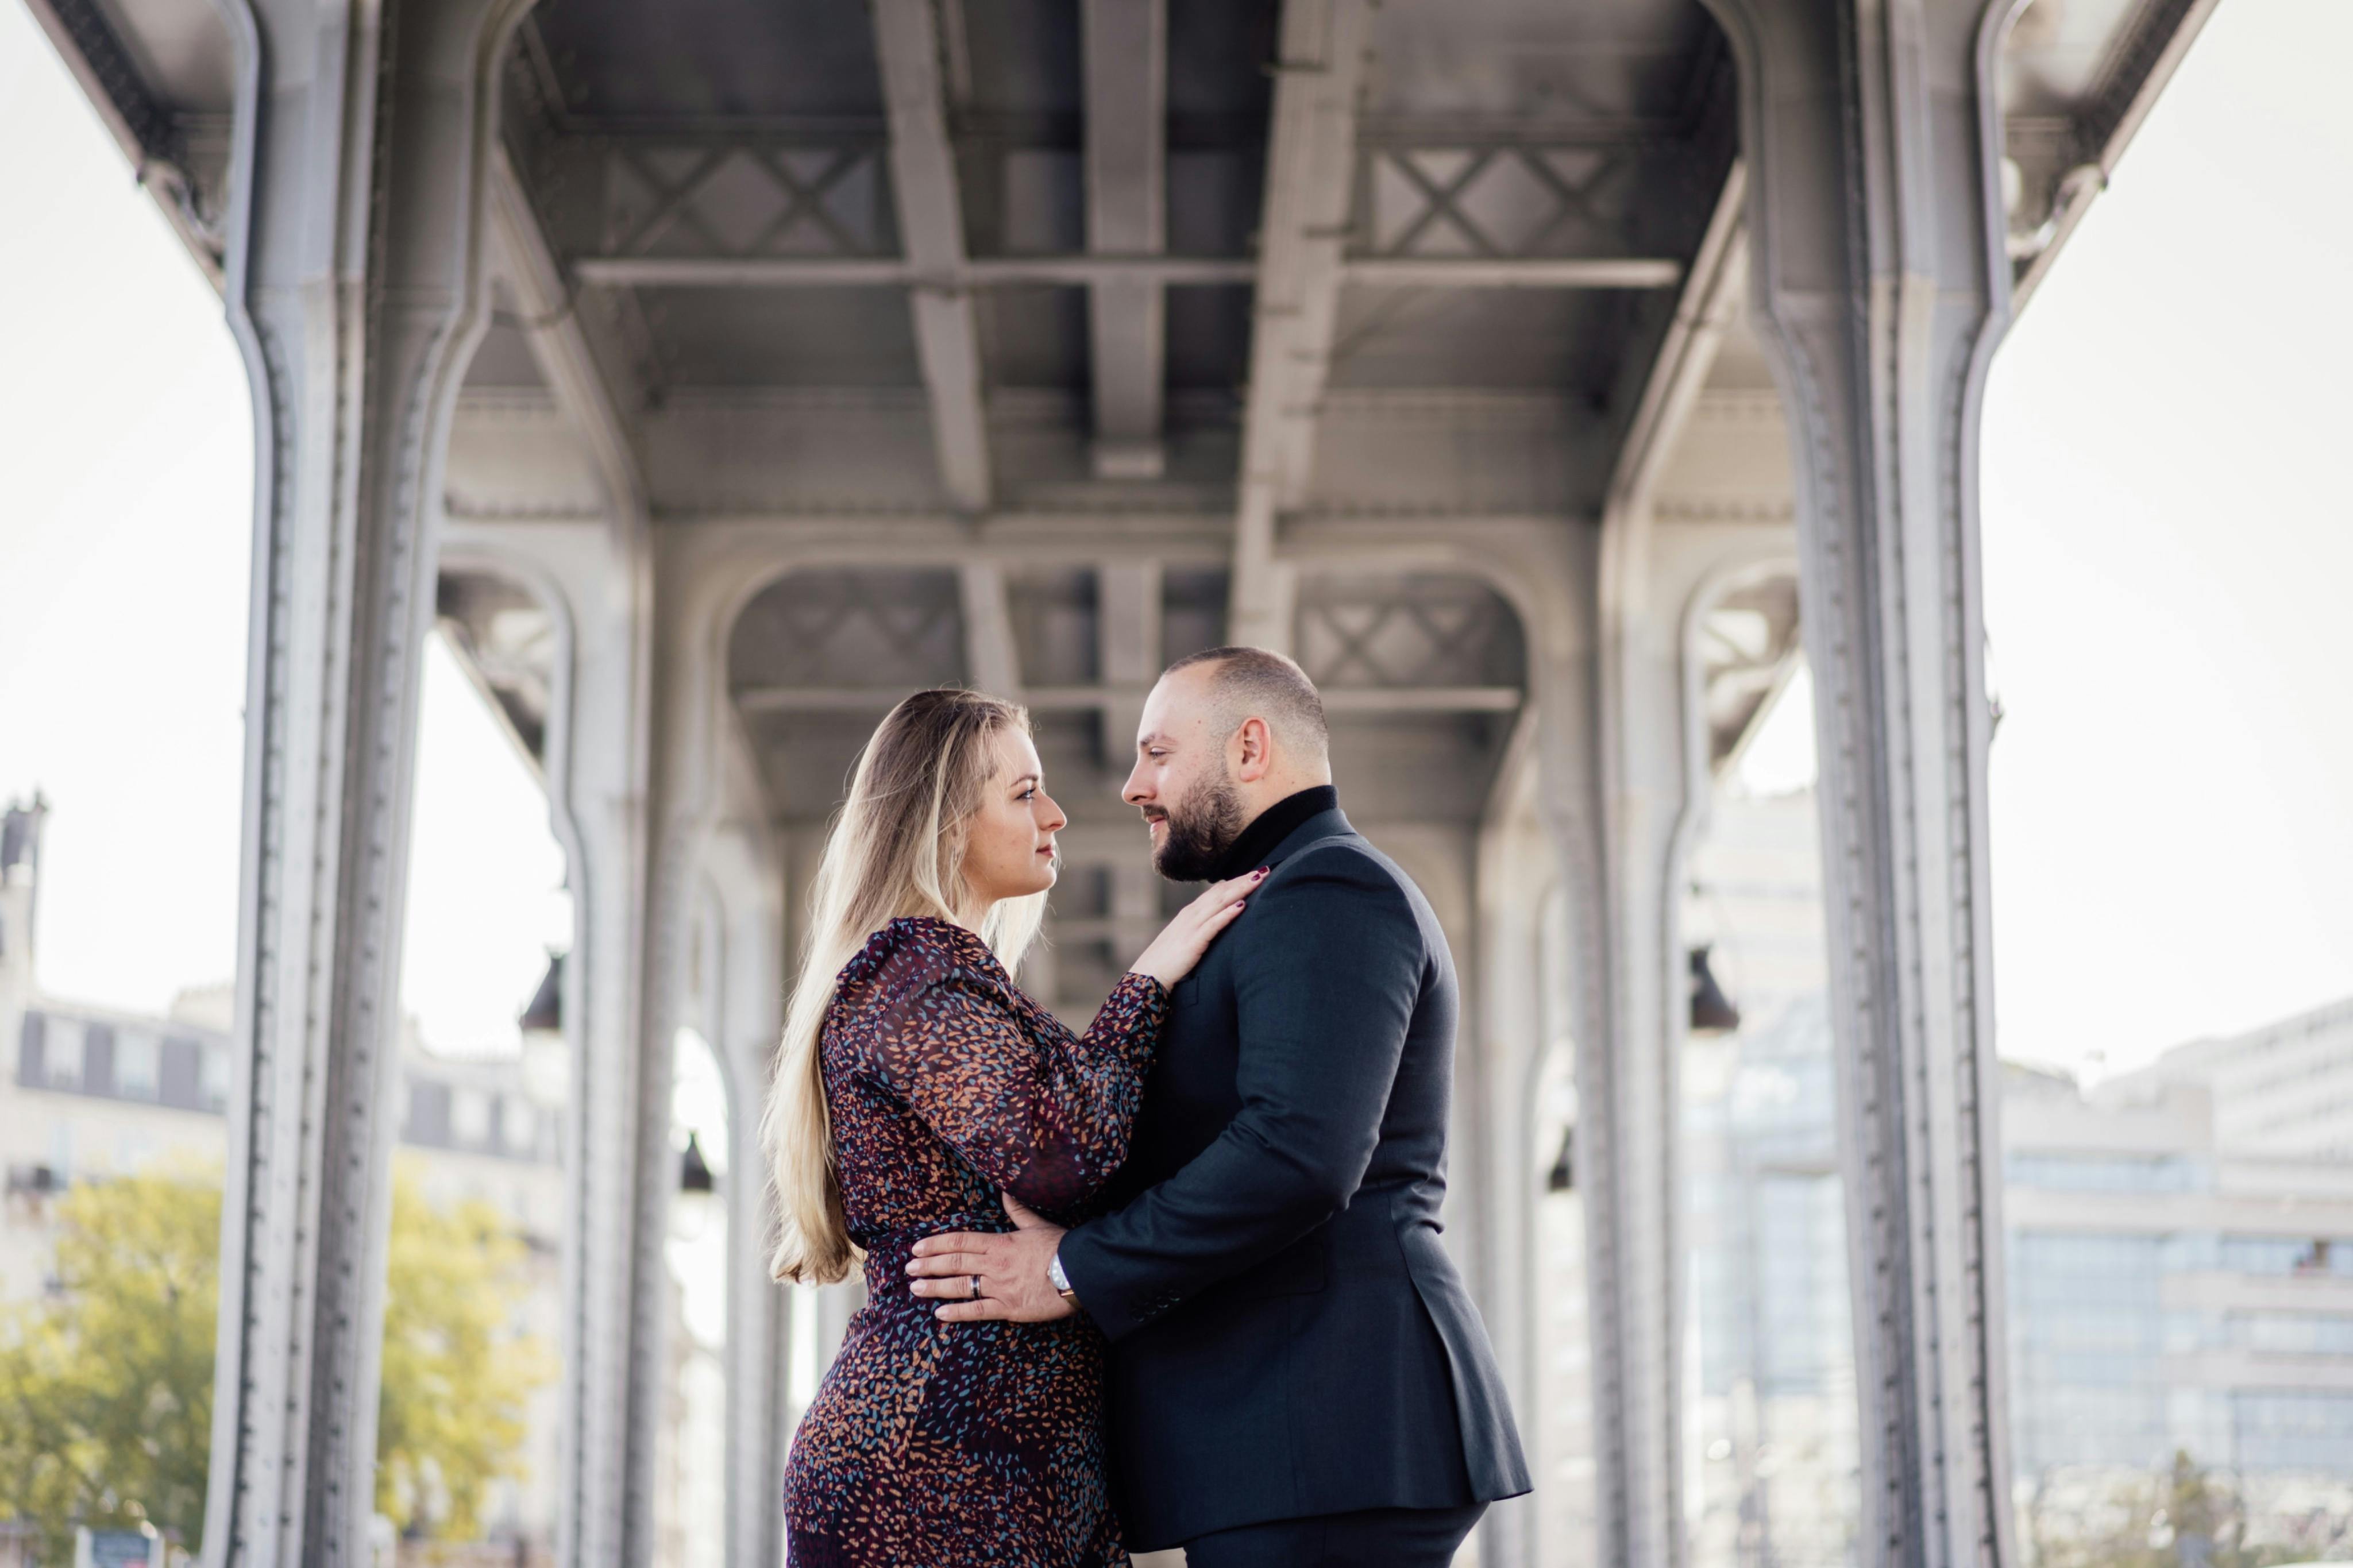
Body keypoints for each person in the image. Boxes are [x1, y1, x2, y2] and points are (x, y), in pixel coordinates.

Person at [908, 647, 1532, 1567]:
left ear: (1249, 747)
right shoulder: (1275, 899)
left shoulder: (1327, 889)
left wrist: (1072, 1268)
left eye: (1157, 754)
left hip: (1325, 1429)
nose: (1130, 787)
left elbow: (1296, 1153)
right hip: (1298, 1437)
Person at [766, 688, 1264, 1567]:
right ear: (946, 819)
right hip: (937, 1466)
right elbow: (1067, 1157)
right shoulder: (916, 968)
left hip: (994, 1457)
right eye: (1024, 791)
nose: (1058, 813)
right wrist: (1147, 982)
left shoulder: (940, 975)